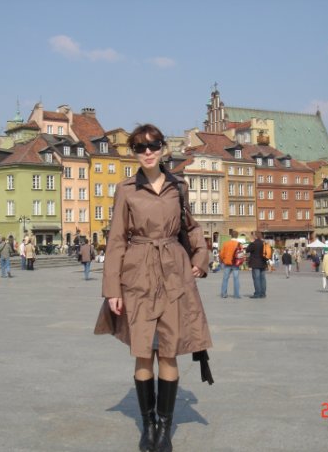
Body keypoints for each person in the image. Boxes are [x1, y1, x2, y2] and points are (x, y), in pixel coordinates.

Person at [95, 124, 212, 452]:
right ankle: (148, 425)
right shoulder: (126, 189)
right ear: (133, 152)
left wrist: (200, 258)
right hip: (138, 275)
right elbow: (116, 240)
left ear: (163, 148)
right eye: (140, 147)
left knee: (170, 351)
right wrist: (112, 289)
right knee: (144, 352)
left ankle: (164, 426)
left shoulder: (179, 186)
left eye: (153, 145)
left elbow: (191, 227)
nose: (147, 152)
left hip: (174, 273)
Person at [219, 230, 241, 299]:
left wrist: (222, 260)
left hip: (227, 263)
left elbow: (221, 254)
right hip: (236, 263)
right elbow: (241, 254)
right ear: (237, 236)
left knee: (225, 278)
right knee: (236, 279)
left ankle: (224, 294)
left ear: (231, 236)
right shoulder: (239, 244)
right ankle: (236, 295)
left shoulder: (226, 243)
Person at [246, 231, 267, 298]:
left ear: (255, 236)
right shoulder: (263, 243)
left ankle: (257, 293)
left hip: (255, 263)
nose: (252, 236)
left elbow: (247, 250)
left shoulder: (254, 243)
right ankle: (263, 294)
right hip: (263, 263)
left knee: (256, 278)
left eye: (253, 235)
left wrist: (251, 242)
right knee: (263, 279)